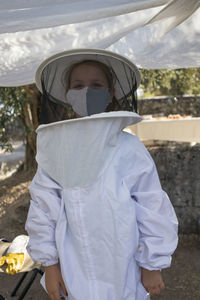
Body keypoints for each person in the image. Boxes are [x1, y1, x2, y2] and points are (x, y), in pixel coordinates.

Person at [25, 49, 178, 300]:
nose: (86, 91)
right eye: (78, 85)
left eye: (96, 85)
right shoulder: (57, 152)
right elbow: (43, 208)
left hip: (124, 268)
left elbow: (152, 205)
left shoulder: (129, 148)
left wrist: (152, 264)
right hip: (75, 271)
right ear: (67, 94)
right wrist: (50, 266)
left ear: (110, 94)